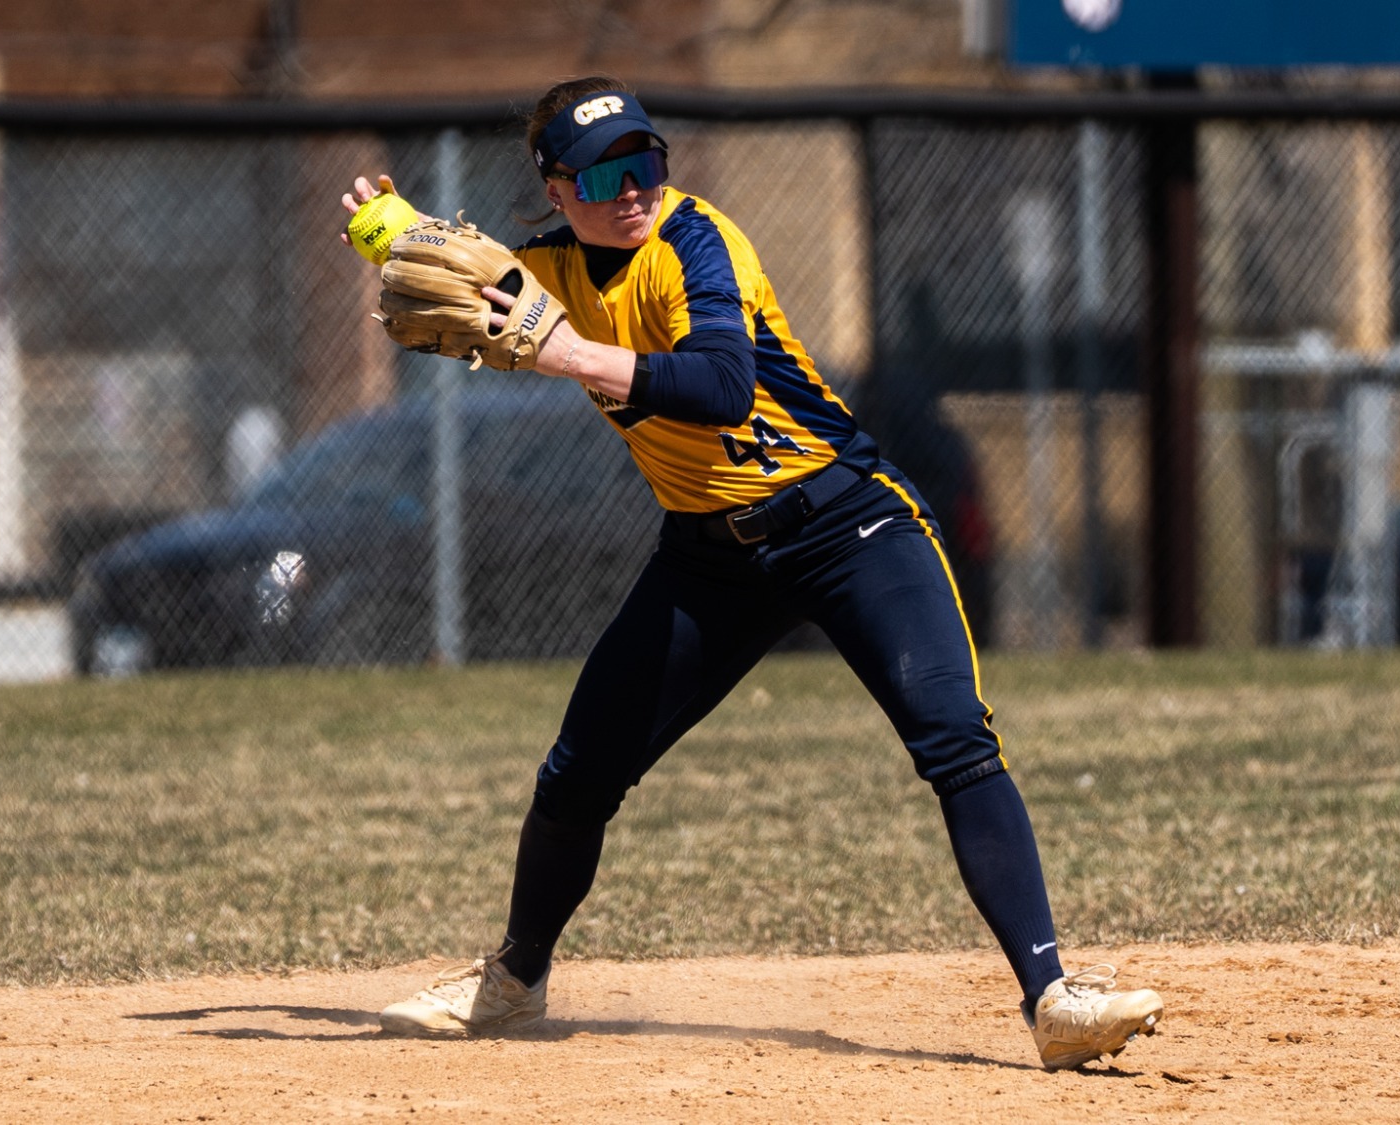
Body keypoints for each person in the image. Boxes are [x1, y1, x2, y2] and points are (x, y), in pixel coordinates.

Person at [339, 76, 1162, 1071]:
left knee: (953, 739)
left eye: (643, 162)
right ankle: (512, 980)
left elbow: (722, 387)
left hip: (850, 525)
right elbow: (464, 272)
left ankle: (1053, 998)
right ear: (557, 191)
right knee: (578, 773)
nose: (630, 187)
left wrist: (567, 355)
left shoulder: (695, 242)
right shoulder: (548, 270)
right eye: (601, 174)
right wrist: (389, 230)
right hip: (707, 558)